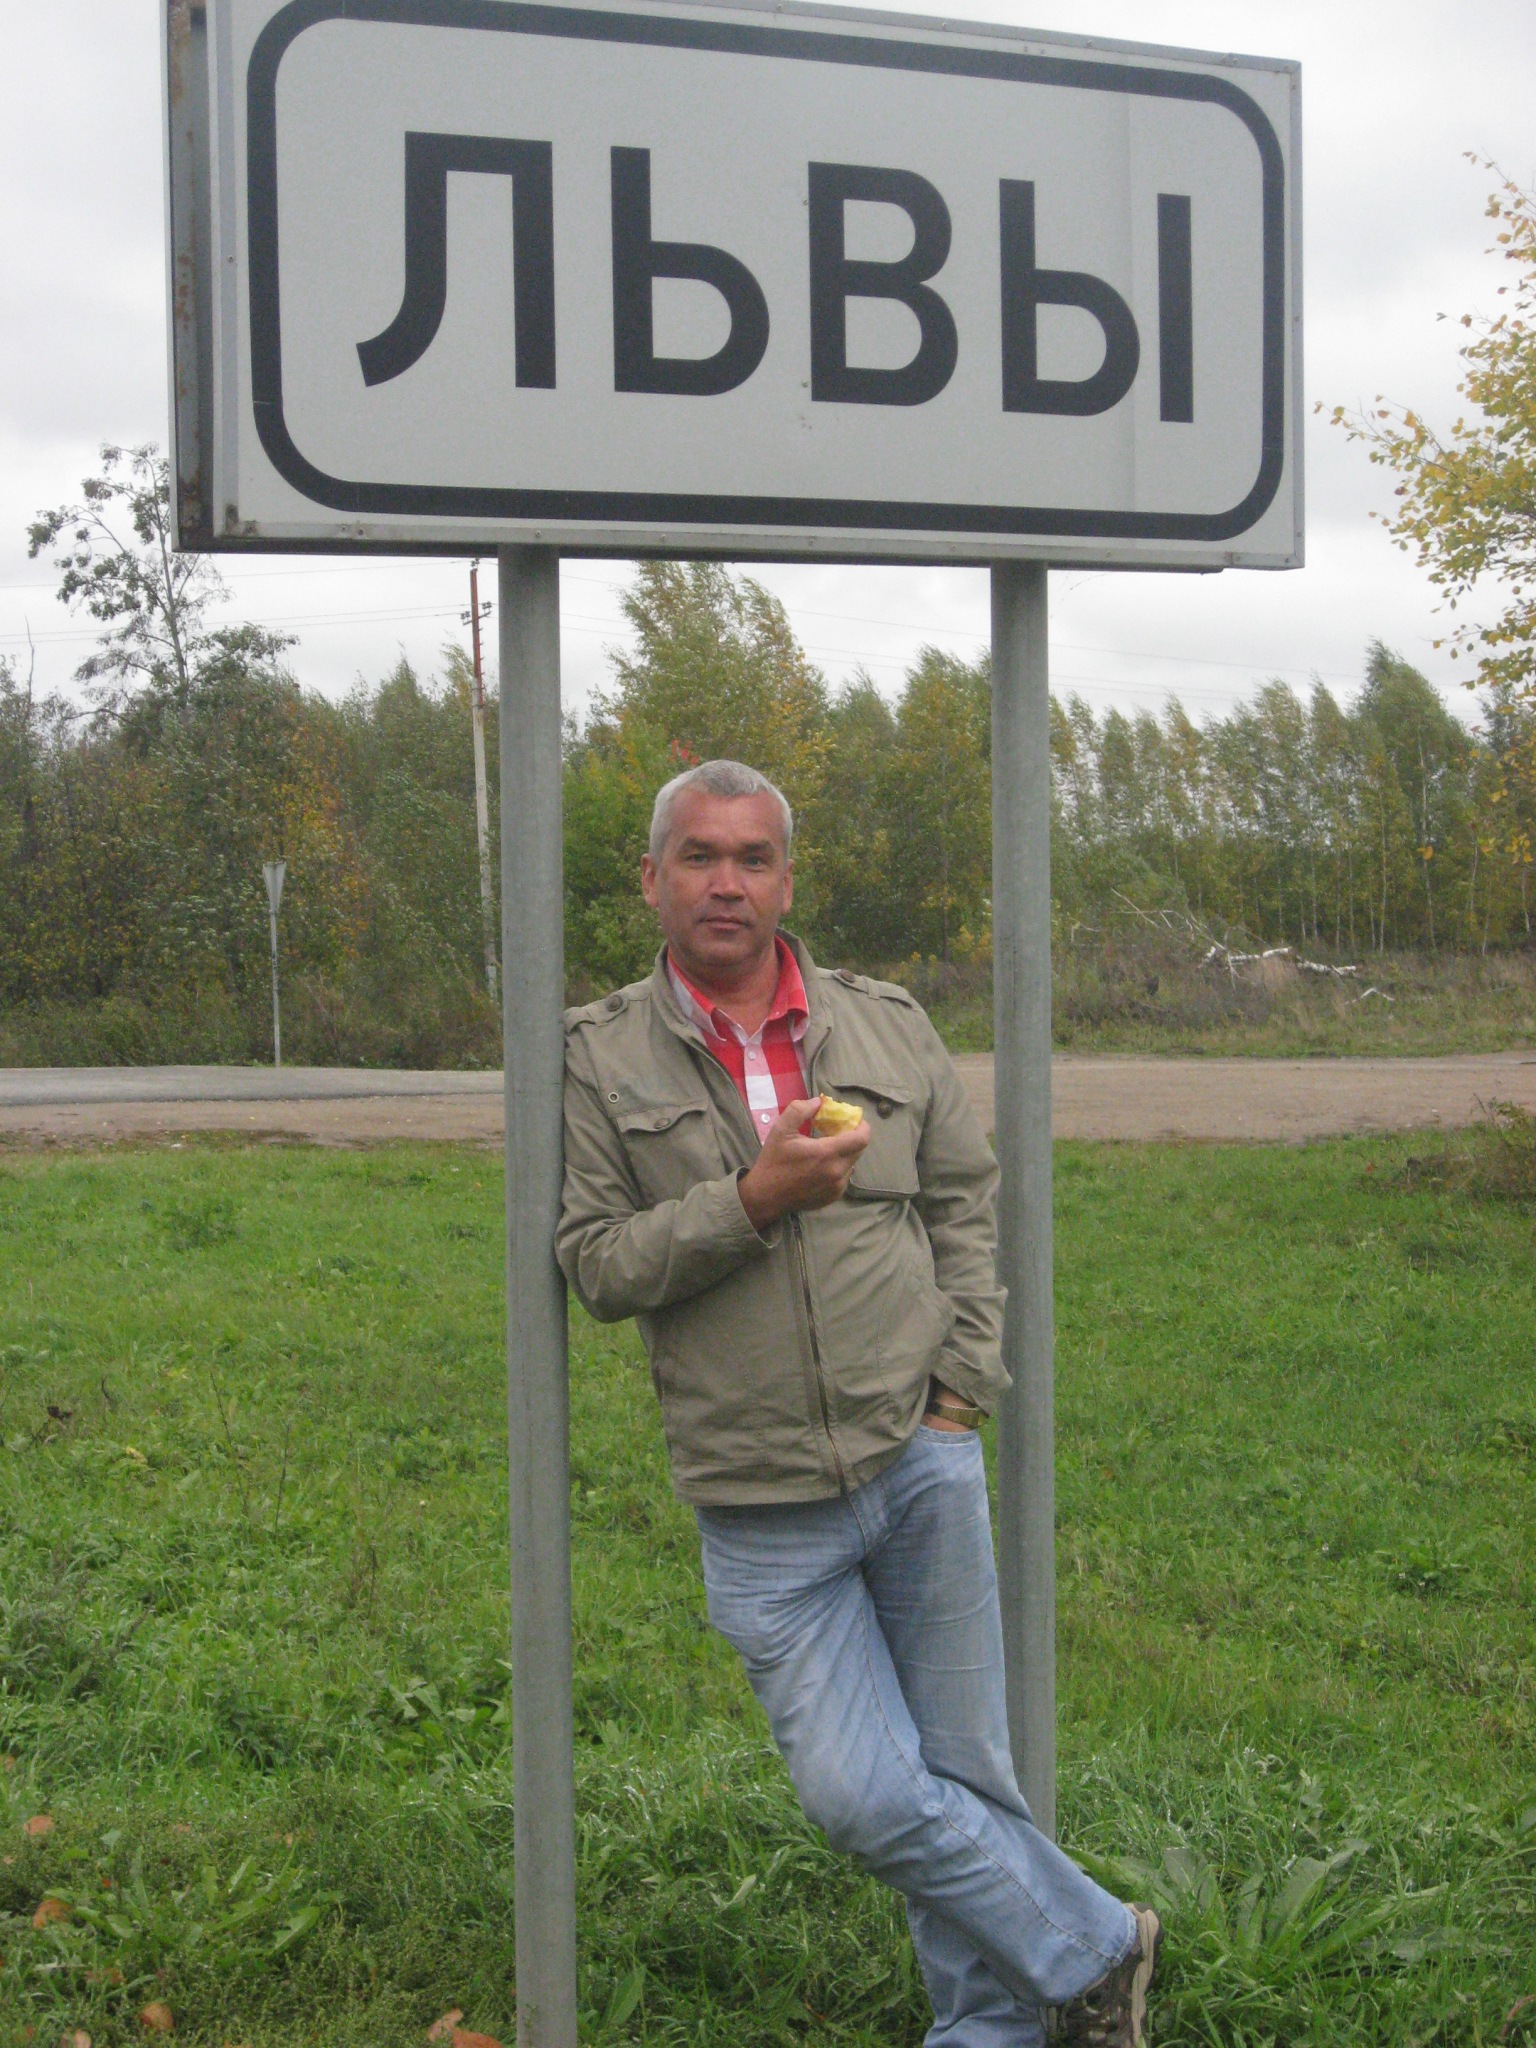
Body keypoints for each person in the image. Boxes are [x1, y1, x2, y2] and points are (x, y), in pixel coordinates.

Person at [557, 758, 1160, 2048]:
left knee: (967, 1775)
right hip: (758, 1496)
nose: (727, 882)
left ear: (788, 879)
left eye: (754, 857)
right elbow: (598, 1263)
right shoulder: (595, 1054)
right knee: (866, 1798)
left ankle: (993, 2029)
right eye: (700, 856)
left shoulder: (885, 1024)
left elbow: (964, 1204)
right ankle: (1098, 1947)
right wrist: (754, 1199)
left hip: (917, 1452)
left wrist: (961, 1393)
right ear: (652, 879)